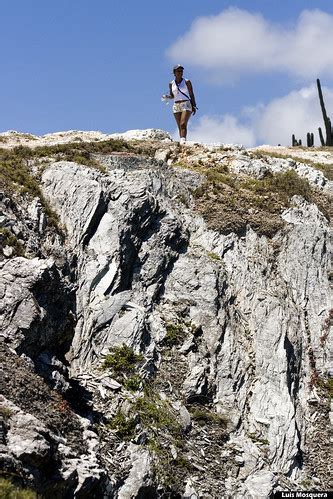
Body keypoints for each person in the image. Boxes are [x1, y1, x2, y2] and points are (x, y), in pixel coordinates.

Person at [162, 64, 197, 145]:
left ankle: (183, 141)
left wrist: (194, 105)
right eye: (178, 71)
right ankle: (182, 141)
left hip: (186, 103)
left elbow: (191, 94)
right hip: (176, 105)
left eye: (181, 71)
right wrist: (167, 97)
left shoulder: (187, 81)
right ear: (174, 72)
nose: (180, 72)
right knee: (179, 126)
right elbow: (172, 95)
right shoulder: (171, 84)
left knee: (183, 123)